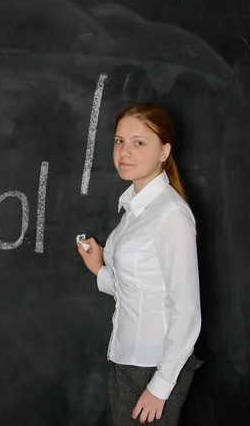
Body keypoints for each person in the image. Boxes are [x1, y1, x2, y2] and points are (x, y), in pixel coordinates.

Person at [77, 103, 203, 425]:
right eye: (119, 141)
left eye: (139, 142)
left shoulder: (171, 215)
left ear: (164, 151)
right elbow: (137, 290)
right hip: (126, 362)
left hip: (154, 367)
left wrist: (161, 386)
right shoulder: (133, 210)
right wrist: (100, 270)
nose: (124, 152)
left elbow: (186, 307)